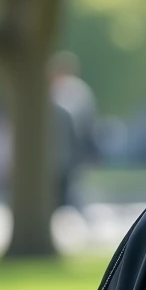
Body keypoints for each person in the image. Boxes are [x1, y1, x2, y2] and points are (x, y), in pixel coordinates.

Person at [49, 51, 98, 207]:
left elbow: (68, 118)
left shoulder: (70, 89)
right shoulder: (72, 89)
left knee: (71, 183)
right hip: (67, 144)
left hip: (72, 144)